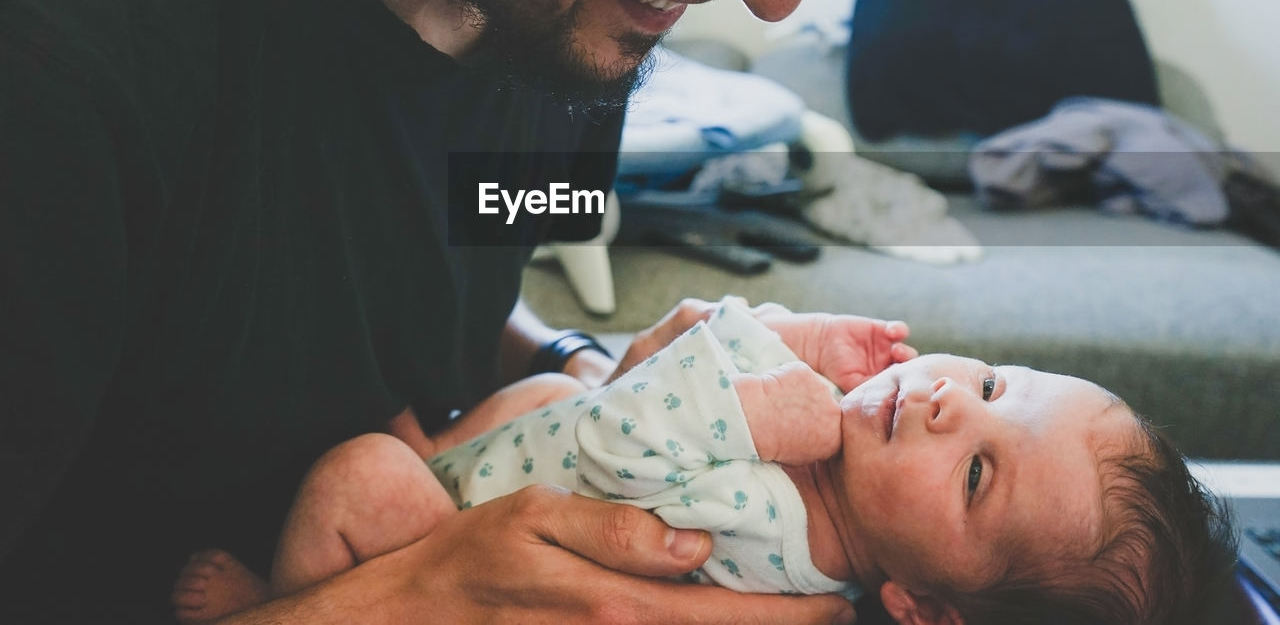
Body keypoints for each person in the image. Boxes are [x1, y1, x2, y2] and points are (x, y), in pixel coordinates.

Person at [0, 0, 1065, 622]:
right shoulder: (48, 45)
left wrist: (579, 363)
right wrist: (390, 604)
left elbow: (465, 241)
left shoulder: (562, 17)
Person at [172, 299, 1237, 625]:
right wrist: (785, 339)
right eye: (998, 382)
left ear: (917, 606)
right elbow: (633, 373)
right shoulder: (829, 465)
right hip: (498, 462)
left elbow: (635, 436)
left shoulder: (770, 544)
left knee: (359, 473)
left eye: (975, 474)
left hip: (439, 539)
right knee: (542, 390)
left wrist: (746, 382)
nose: (952, 399)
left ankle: (290, 596)